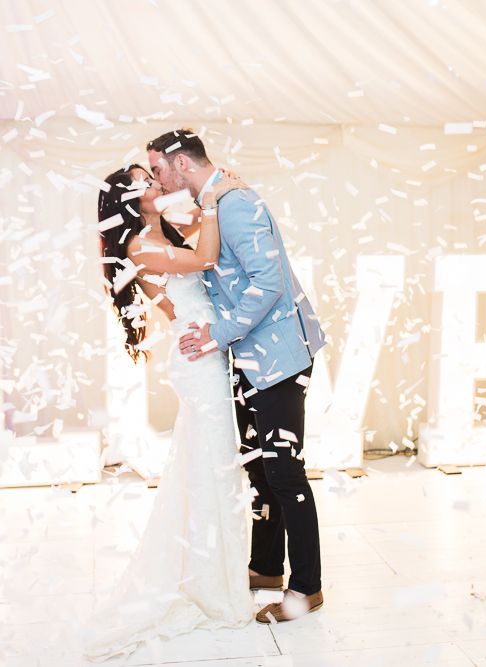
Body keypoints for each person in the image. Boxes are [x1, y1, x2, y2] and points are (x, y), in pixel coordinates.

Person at [146, 128, 327, 624]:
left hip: (278, 356)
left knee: (284, 471)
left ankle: (306, 588)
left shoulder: (235, 203)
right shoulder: (215, 202)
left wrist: (217, 333)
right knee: (258, 468)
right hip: (248, 356)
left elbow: (268, 283)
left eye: (158, 169)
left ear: (182, 163)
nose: (156, 181)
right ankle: (265, 568)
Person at [83, 164, 251, 661]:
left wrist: (206, 207)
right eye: (146, 180)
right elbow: (207, 256)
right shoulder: (139, 244)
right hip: (198, 364)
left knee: (211, 466)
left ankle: (213, 571)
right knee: (213, 467)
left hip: (205, 352)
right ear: (131, 198)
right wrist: (218, 198)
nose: (157, 184)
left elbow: (189, 274)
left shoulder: (164, 232)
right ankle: (213, 584)